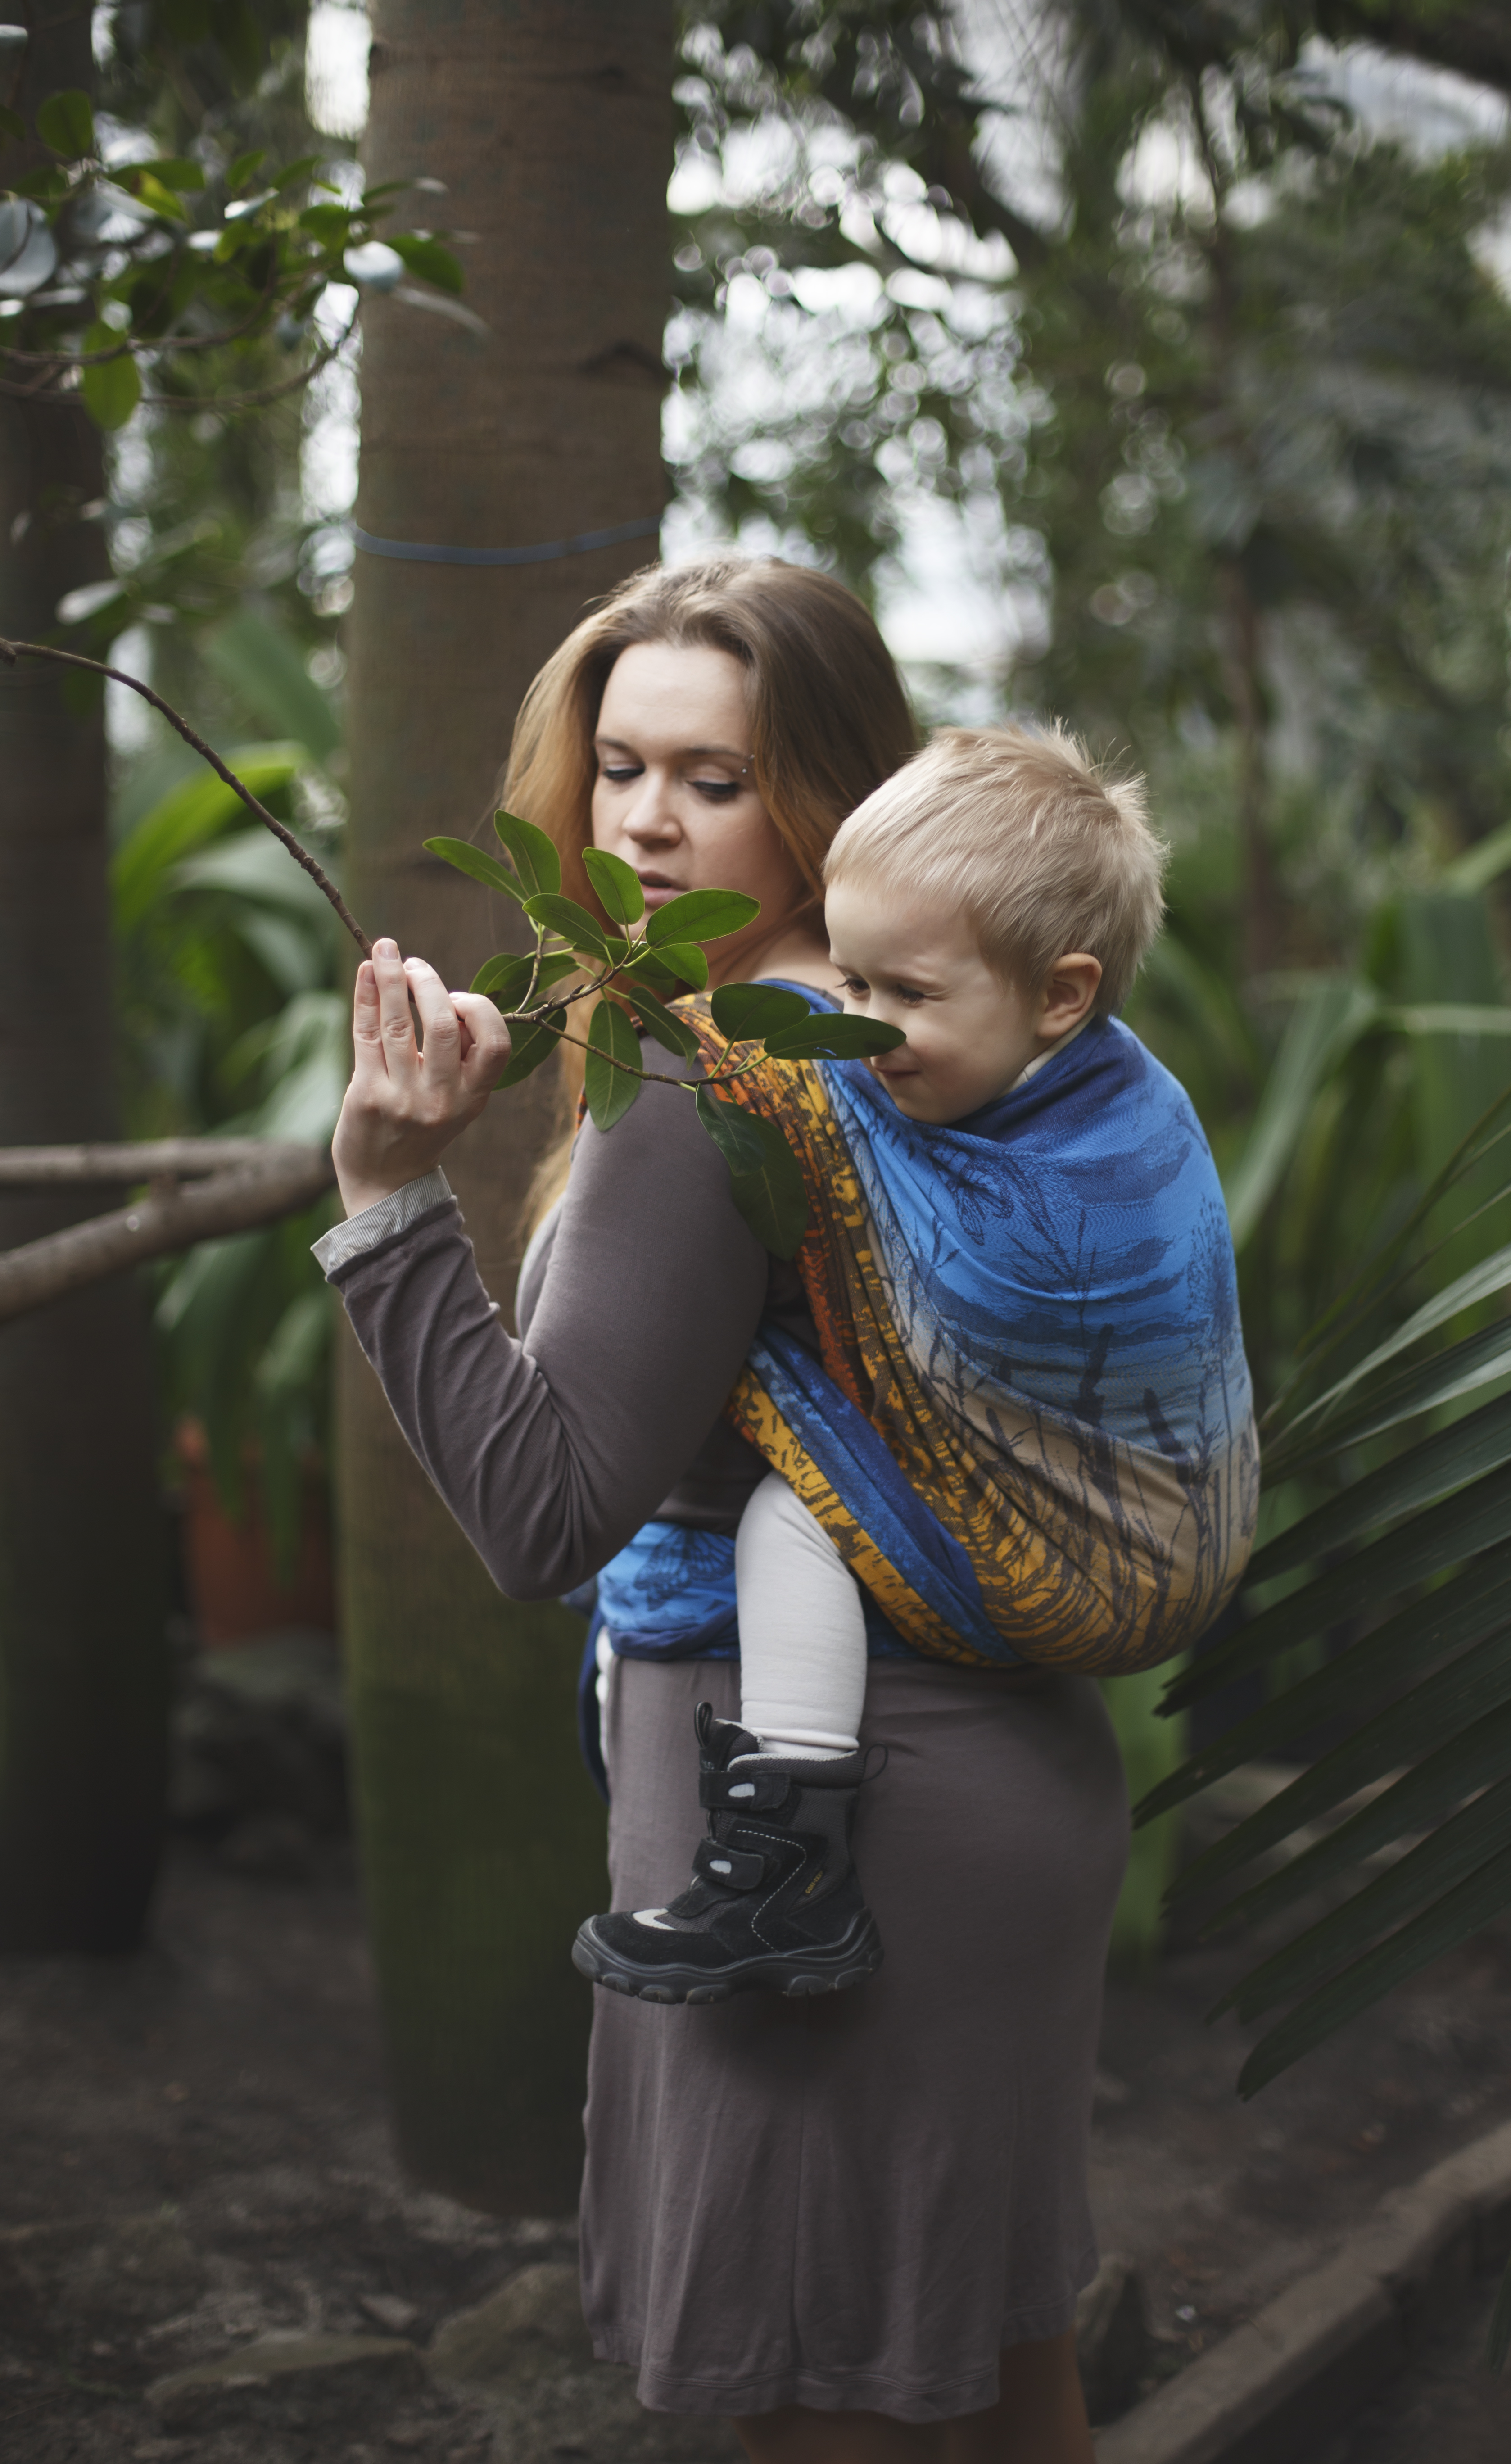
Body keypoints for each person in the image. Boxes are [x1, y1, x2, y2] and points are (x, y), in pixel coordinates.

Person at [314, 555, 1210, 2461]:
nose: (645, 820)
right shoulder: (966, 1048)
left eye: (713, 777)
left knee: (834, 2406)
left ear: (825, 794)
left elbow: (544, 1512)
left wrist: (392, 1199)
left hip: (815, 1853)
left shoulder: (721, 1078)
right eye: (619, 764)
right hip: (1006, 1794)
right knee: (996, 2375)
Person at [571, 723, 1257, 2009]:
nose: (859, 1031)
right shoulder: (1018, 1075)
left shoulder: (1126, 1135)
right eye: (850, 980)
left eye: (910, 997)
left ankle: (793, 1873)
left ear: (1063, 996)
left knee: (798, 1503)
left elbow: (1031, 1293)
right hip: (1081, 1643)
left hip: (1104, 1552)